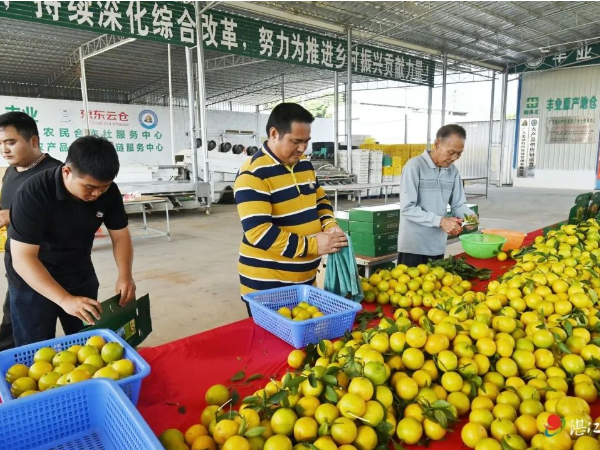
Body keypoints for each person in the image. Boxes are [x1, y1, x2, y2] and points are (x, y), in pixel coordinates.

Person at [7, 135, 136, 346]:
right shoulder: (33, 192)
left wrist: (125, 276)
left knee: (88, 343)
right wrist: (64, 299)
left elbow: (120, 236)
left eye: (103, 187)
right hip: (32, 278)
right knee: (35, 348)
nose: (97, 194)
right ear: (66, 172)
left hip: (78, 271)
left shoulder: (108, 192)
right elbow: (23, 259)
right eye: (89, 187)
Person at [234, 103, 347, 314]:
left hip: (304, 281)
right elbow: (259, 233)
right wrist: (313, 245)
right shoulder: (253, 174)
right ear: (274, 134)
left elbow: (320, 201)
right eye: (296, 141)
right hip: (267, 287)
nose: (303, 148)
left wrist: (330, 225)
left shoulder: (304, 164)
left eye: (306, 142)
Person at [0, 112, 62, 350]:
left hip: (47, 266)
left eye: (11, 142)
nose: (4, 150)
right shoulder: (10, 173)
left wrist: (12, 216)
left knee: (37, 336)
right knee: (13, 324)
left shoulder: (56, 174)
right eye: (1, 144)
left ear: (33, 141)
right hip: (16, 265)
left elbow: (67, 221)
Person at [397, 124, 476, 267]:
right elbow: (407, 208)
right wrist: (441, 221)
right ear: (437, 144)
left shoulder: (453, 172)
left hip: (437, 246)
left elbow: (458, 204)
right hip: (413, 246)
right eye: (451, 152)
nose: (455, 158)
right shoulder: (414, 166)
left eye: (459, 153)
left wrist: (470, 217)